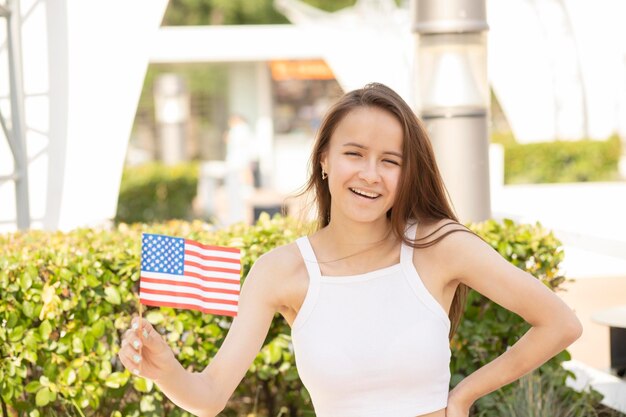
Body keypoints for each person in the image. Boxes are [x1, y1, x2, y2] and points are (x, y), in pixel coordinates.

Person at [119, 83, 582, 417]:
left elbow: (560, 323)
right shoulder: (280, 272)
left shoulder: (440, 247)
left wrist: (462, 396)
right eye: (354, 154)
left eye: (390, 161)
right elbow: (210, 394)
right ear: (324, 160)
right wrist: (164, 371)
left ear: (407, 173)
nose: (370, 174)